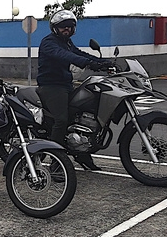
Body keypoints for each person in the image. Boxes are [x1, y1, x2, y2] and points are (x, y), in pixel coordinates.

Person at [36, 9, 114, 171]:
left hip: (66, 85)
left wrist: (104, 62)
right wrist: (89, 63)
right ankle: (56, 164)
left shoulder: (67, 43)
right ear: (55, 28)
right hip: (51, 87)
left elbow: (79, 53)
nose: (67, 29)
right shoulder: (49, 42)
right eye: (64, 26)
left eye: (70, 27)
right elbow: (67, 56)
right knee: (62, 120)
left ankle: (81, 153)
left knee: (81, 114)